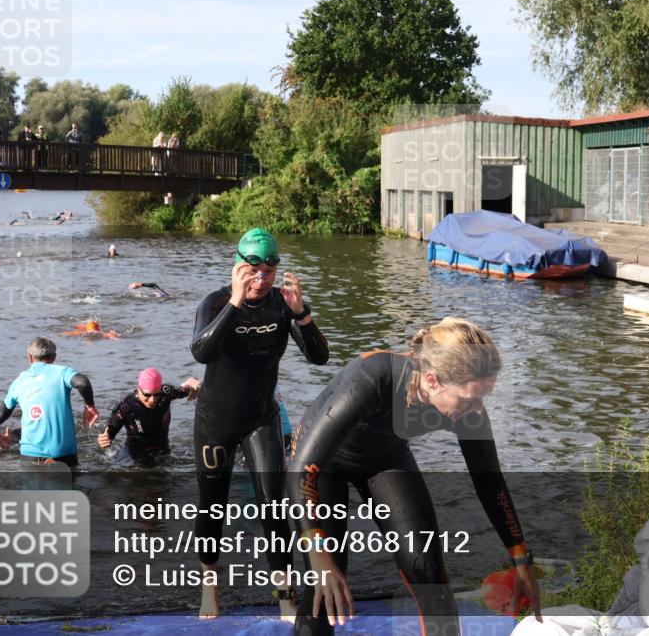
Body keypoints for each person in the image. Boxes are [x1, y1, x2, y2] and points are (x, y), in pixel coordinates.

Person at [285, 317, 543, 636]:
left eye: (482, 398)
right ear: (432, 380)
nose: (477, 409)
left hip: (385, 458)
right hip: (320, 467)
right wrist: (318, 552)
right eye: (468, 399)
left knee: (429, 573)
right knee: (327, 578)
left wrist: (520, 557)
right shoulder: (374, 376)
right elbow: (301, 470)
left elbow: (490, 483)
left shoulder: (468, 409)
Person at [190, 227, 329, 620]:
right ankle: (210, 586)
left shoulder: (282, 306)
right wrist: (234, 303)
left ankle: (285, 594)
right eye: (253, 270)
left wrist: (301, 313)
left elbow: (319, 357)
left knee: (273, 508)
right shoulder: (215, 302)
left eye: (269, 270)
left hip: (261, 420)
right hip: (215, 422)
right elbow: (201, 351)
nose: (261, 278)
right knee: (212, 509)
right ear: (238, 267)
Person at [0, 337, 100, 468]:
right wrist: (90, 406)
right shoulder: (62, 372)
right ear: (54, 357)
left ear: (29, 357)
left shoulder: (19, 381)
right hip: (63, 454)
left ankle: (10, 445)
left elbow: (5, 409)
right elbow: (83, 383)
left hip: (30, 455)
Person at [97, 368, 200, 467]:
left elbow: (187, 388)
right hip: (135, 453)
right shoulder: (128, 405)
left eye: (156, 394)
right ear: (138, 389)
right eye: (147, 395)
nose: (152, 400)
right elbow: (111, 427)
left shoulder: (166, 392)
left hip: (162, 451)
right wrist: (105, 438)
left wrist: (195, 383)